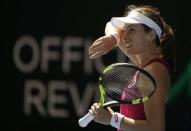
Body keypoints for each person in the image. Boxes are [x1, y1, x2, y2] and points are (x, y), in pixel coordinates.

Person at [88, 5, 175, 131]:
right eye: (125, 30)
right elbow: (110, 25)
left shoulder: (153, 71)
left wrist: (113, 119)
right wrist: (113, 38)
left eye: (132, 30)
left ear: (151, 34)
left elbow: (156, 128)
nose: (125, 36)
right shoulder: (145, 64)